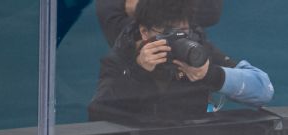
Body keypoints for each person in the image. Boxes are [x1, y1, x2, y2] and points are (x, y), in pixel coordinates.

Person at [87, 0, 271, 125]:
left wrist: (211, 75)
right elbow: (97, 114)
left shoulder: (196, 48)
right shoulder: (123, 57)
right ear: (144, 32)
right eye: (167, 33)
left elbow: (264, 90)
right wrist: (138, 73)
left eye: (182, 31)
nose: (176, 40)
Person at [96, 0, 224, 47]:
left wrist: (143, 6)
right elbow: (121, 36)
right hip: (138, 80)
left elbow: (211, 13)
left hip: (191, 64)